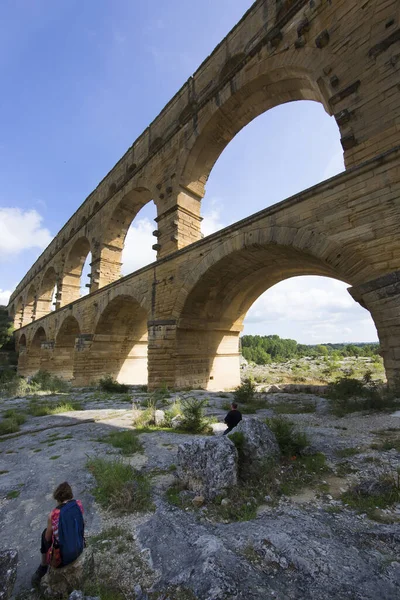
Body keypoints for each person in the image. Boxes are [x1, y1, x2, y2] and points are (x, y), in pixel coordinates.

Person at [31, 482, 85, 587]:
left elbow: (47, 538)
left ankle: (43, 566)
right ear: (70, 495)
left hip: (62, 559)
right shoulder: (78, 505)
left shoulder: (54, 514)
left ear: (57, 498)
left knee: (44, 534)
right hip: (79, 548)